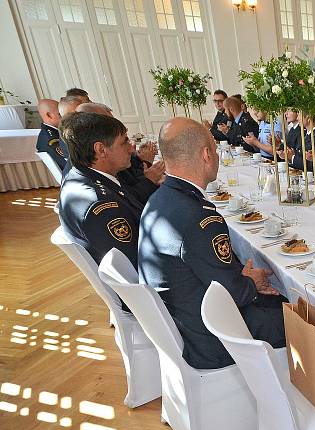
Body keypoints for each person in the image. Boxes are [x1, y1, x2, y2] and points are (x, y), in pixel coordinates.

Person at [138, 117, 286, 370]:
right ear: (207, 154)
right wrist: (252, 281)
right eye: (215, 151)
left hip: (186, 318)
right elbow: (235, 292)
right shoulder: (198, 216)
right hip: (212, 338)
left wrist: (244, 279)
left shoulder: (161, 198)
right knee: (306, 314)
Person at [58, 112, 142, 268]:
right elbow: (135, 261)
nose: (132, 148)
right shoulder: (101, 206)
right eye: (124, 142)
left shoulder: (80, 175)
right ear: (101, 150)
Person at [36, 98, 66, 170]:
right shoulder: (52, 140)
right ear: (49, 115)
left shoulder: (52, 132)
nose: (65, 116)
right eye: (60, 114)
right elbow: (66, 163)